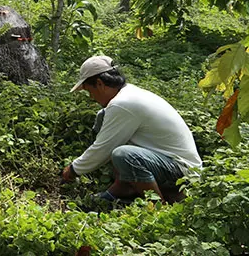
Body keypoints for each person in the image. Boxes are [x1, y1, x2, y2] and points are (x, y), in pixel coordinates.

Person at [61, 55, 202, 203]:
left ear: (100, 84)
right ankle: (123, 187)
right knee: (102, 118)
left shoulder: (122, 104)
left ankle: (156, 206)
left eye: (90, 91)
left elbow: (104, 148)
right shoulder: (128, 95)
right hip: (168, 163)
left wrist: (73, 170)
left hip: (183, 173)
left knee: (123, 154)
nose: (91, 97)